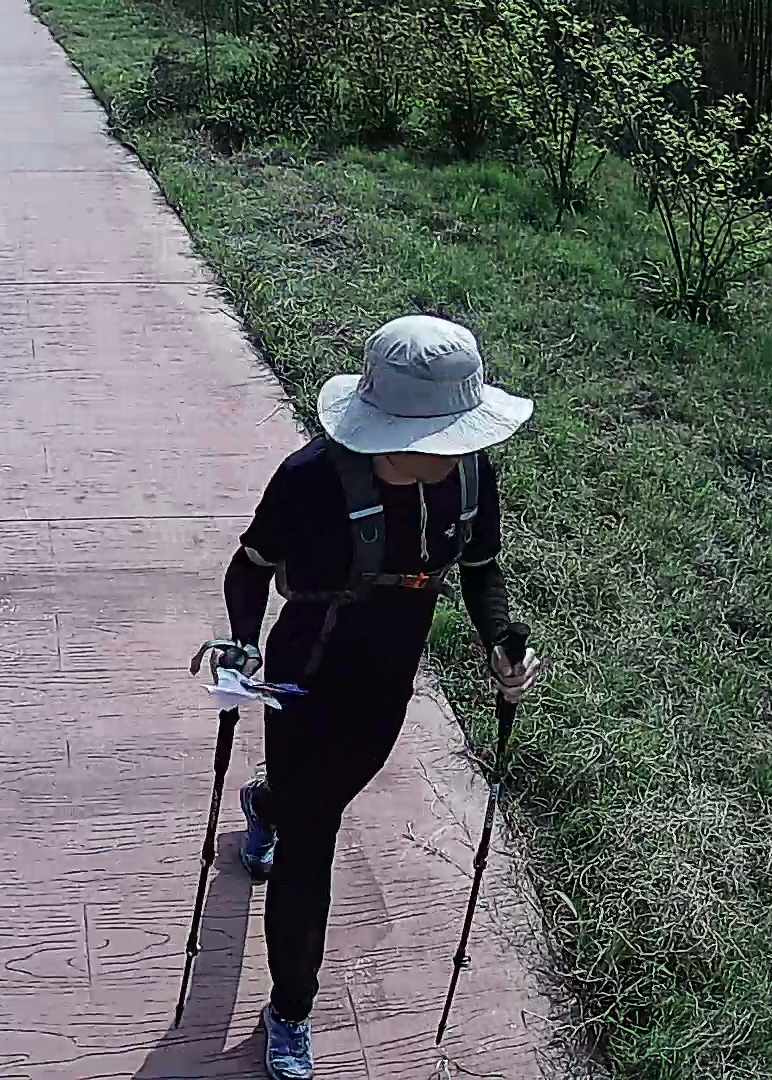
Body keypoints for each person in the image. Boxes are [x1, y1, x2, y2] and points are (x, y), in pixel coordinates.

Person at [216, 314, 542, 1079]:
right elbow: (248, 567)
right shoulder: (309, 480)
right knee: (312, 844)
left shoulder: (468, 475)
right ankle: (291, 1010)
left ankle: (266, 803)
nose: (458, 449)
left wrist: (500, 643)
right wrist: (244, 642)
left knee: (321, 798)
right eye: (443, 437)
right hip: (305, 677)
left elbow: (481, 569)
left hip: (387, 680)